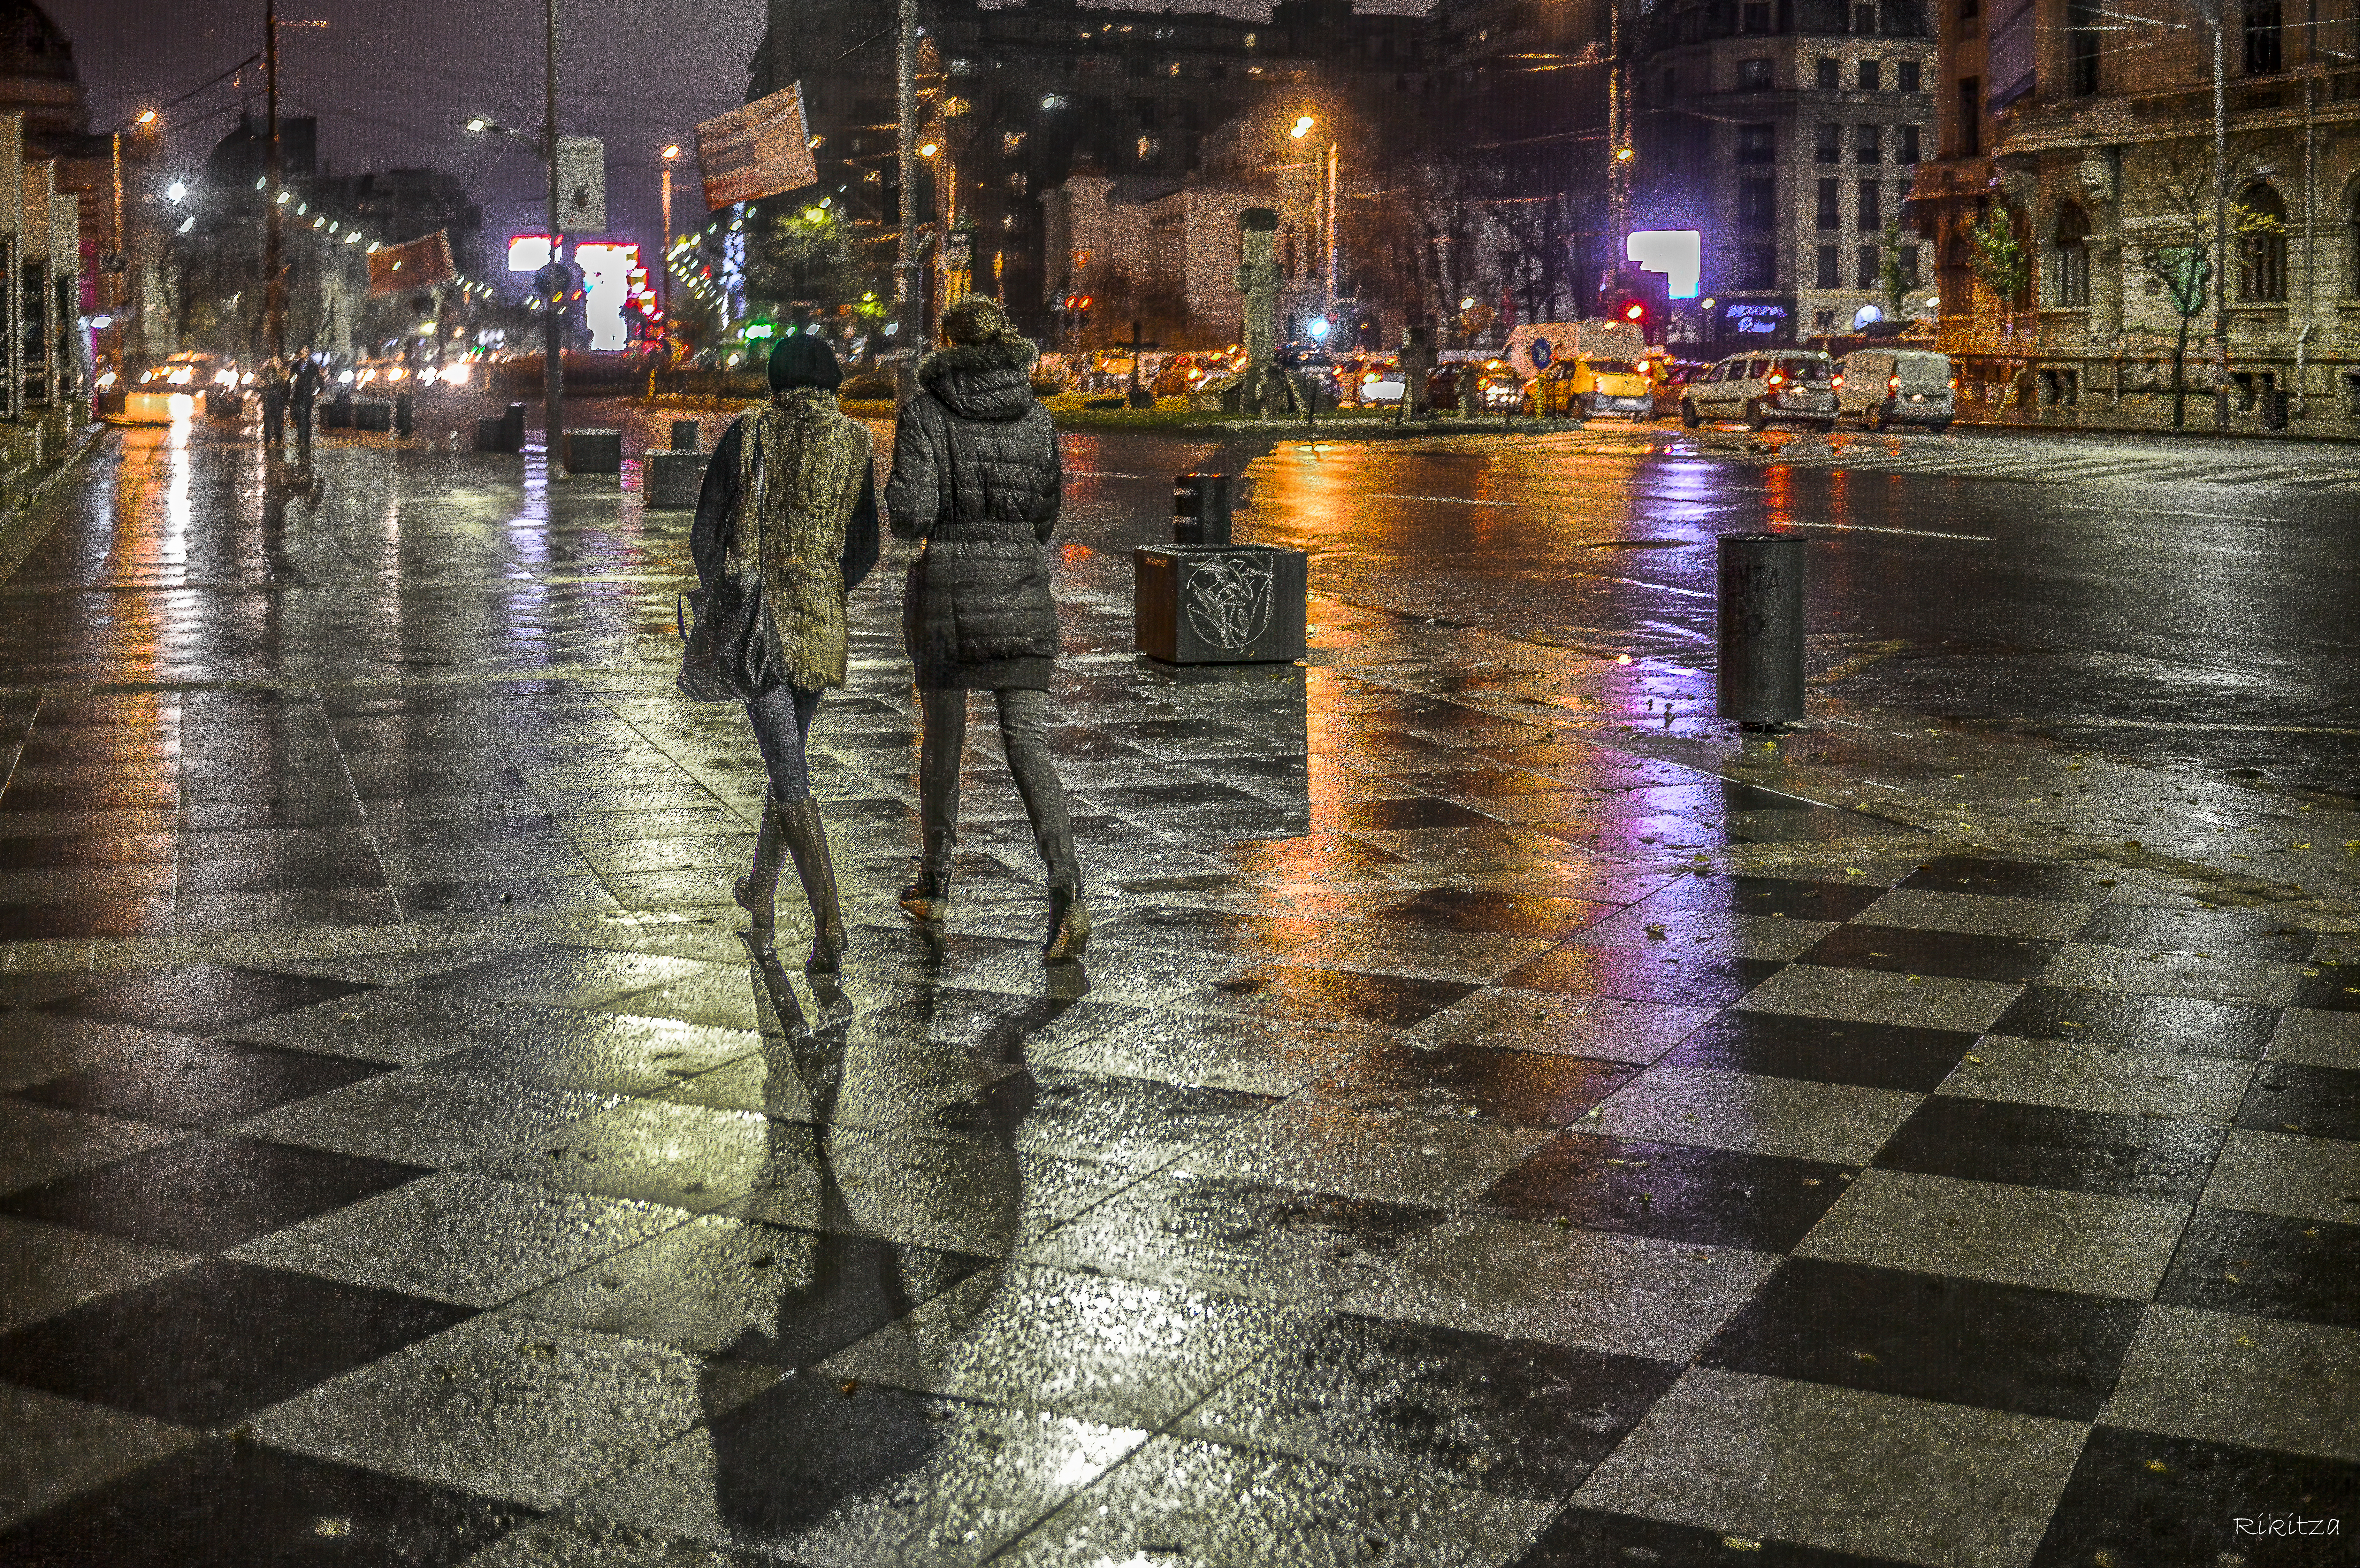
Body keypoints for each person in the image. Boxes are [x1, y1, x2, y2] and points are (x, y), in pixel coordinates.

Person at [884, 294, 1088, 961]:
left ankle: (935, 885)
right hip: (1024, 595)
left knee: (943, 742)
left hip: (947, 598)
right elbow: (1047, 514)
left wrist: (904, 491)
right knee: (1028, 744)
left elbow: (912, 513)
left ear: (946, 346)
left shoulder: (924, 413)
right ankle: (1067, 896)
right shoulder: (1039, 419)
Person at [691, 334, 880, 972]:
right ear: (834, 385)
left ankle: (830, 924)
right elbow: (866, 550)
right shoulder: (855, 444)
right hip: (818, 625)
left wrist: (725, 594)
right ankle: (762, 893)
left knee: (789, 774)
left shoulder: (749, 435)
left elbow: (705, 530)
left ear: (773, 382)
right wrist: (825, 586)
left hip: (760, 627)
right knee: (786, 761)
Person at [288, 346, 326, 460]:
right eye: (303, 351)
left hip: (308, 396)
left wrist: (316, 393)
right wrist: (294, 380)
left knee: (306, 417)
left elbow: (321, 382)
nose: (305, 353)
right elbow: (290, 380)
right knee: (300, 416)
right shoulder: (295, 365)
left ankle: (307, 439)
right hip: (298, 395)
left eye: (307, 351)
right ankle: (301, 438)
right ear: (300, 353)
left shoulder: (313, 366)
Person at [258, 356, 289, 454]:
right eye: (275, 361)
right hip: (269, 400)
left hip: (279, 400)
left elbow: (286, 387)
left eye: (278, 361)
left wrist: (286, 399)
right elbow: (259, 385)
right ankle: (268, 440)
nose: (277, 363)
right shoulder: (266, 373)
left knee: (278, 421)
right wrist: (264, 390)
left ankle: (279, 440)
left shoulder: (283, 373)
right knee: (269, 421)